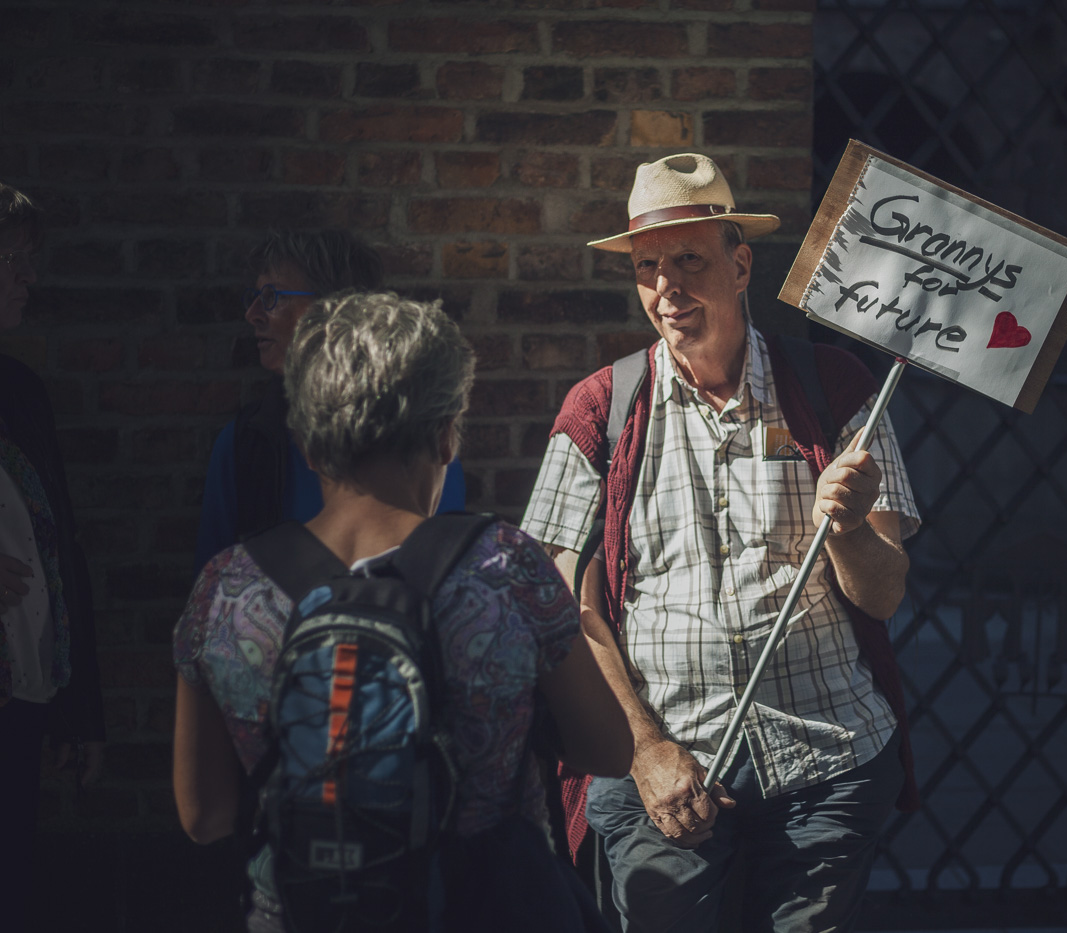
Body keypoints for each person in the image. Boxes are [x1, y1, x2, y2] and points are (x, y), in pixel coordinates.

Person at [521, 152, 922, 932]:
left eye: (689, 260)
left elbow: (885, 592)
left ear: (741, 266)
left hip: (827, 759)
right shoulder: (600, 409)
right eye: (647, 266)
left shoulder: (835, 388)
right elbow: (564, 612)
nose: (666, 284)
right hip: (667, 765)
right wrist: (643, 748)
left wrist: (845, 526)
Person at [172, 291, 632, 932]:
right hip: (484, 910)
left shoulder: (226, 590)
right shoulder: (508, 570)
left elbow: (204, 817)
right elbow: (608, 750)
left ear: (306, 443)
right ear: (447, 434)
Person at [193, 230, 467, 571]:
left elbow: (447, 561)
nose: (253, 313)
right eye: (254, 296)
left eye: (271, 296)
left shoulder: (419, 429)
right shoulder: (243, 444)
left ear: (336, 309)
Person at [0, 182, 104, 932]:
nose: (28, 281)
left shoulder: (21, 393)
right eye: (13, 263)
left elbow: (59, 550)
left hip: (22, 700)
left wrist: (79, 710)